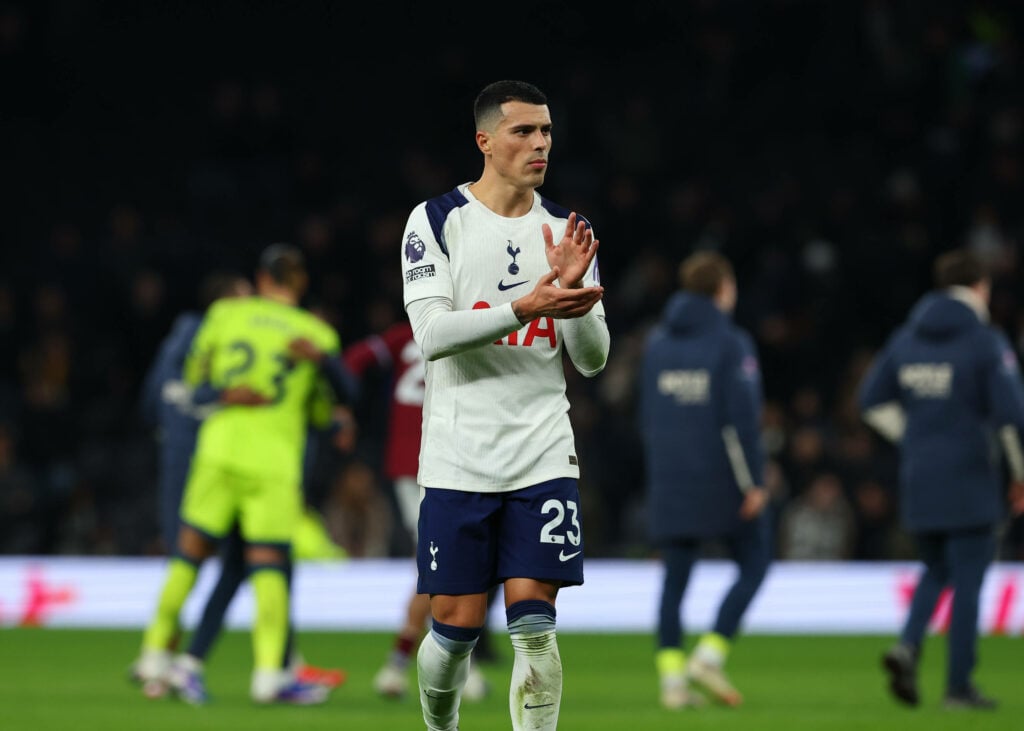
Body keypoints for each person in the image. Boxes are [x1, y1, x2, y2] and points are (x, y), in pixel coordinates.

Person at [399, 79, 609, 731]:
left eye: (546, 131)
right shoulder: (435, 221)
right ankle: (441, 721)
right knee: (455, 631)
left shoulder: (566, 230)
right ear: (485, 140)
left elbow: (593, 357)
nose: (539, 143)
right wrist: (526, 305)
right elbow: (431, 335)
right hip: (460, 455)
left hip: (543, 449)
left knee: (536, 629)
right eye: (523, 131)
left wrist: (575, 291)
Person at [132, 243, 351, 705]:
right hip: (272, 461)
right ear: (301, 282)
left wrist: (222, 392)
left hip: (217, 449)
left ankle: (154, 652)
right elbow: (332, 401)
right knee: (269, 563)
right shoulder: (315, 333)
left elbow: (198, 381)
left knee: (189, 555)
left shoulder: (226, 315)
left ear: (261, 278)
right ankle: (269, 676)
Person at [859, 248, 1024, 710]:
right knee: (969, 579)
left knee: (935, 569)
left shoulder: (906, 338)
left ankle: (908, 646)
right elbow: (1012, 416)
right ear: (980, 288)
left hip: (920, 473)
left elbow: (871, 401)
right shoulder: (985, 341)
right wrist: (1020, 475)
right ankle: (958, 686)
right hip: (971, 472)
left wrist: (914, 437)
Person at [638, 251, 770, 710]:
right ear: (722, 289)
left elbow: (648, 418)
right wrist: (753, 481)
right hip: (721, 480)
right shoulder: (731, 343)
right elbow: (741, 422)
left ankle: (672, 684)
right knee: (755, 560)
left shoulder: (657, 344)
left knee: (674, 582)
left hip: (670, 478)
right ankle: (710, 655)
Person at [341, 317, 495, 701]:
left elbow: (355, 359)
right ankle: (408, 667)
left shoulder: (402, 334)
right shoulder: (463, 328)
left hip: (407, 462)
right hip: (439, 457)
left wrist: (345, 403)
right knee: (440, 565)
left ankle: (418, 666)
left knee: (438, 564)